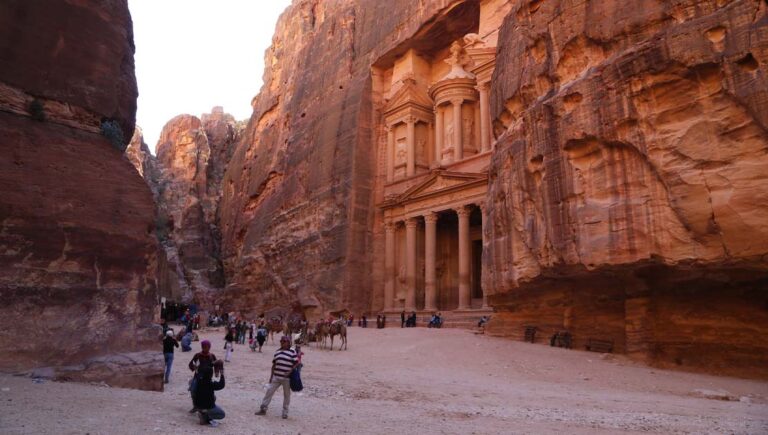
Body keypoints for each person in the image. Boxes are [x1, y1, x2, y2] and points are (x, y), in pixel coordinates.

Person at [255, 335, 298, 419]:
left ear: (288, 343)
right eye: (281, 341)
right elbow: (274, 365)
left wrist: (290, 371)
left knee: (287, 395)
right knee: (269, 392)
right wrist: (271, 377)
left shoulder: (292, 352)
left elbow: (296, 363)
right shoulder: (277, 352)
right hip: (276, 377)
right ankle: (263, 408)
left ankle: (285, 412)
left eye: (284, 341)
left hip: (287, 378)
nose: (282, 343)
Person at [188, 340, 218, 413]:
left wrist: (217, 372)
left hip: (208, 379)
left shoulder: (212, 356)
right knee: (193, 390)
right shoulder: (197, 355)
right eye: (204, 347)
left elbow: (216, 364)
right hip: (198, 377)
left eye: (207, 347)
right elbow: (191, 364)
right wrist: (193, 367)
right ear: (202, 347)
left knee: (210, 394)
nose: (206, 348)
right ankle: (195, 406)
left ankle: (210, 406)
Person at [193, 361, 226, 426]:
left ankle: (202, 412)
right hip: (207, 406)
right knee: (222, 414)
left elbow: (200, 370)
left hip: (197, 404)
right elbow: (222, 385)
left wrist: (212, 363)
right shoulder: (211, 384)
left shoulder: (199, 379)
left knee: (214, 397)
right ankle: (205, 414)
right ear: (211, 375)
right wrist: (222, 374)